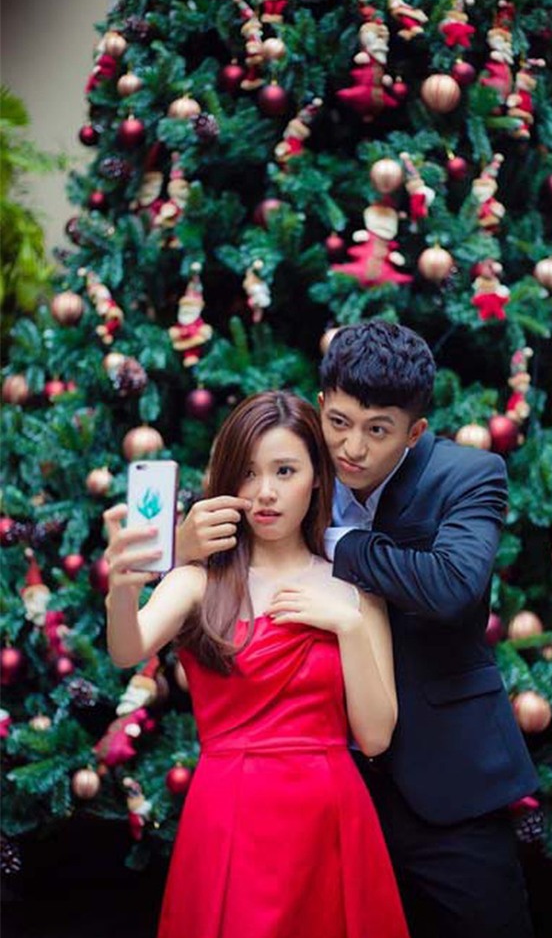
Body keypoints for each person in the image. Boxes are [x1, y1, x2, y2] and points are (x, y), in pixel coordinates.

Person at [177, 321, 540, 938]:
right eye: (339, 423)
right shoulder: (291, 461)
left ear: (413, 432)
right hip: (316, 792)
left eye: (378, 431)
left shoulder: (468, 475)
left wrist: (333, 544)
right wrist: (183, 552)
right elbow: (229, 561)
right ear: (322, 406)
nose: (352, 448)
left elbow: (452, 586)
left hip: (446, 778)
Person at [103, 391, 409, 938]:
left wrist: (348, 626)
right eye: (247, 473)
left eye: (285, 471)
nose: (265, 492)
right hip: (229, 814)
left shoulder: (356, 590)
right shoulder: (198, 581)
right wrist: (122, 591)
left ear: (317, 479)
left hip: (330, 818)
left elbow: (376, 736)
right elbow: (129, 649)